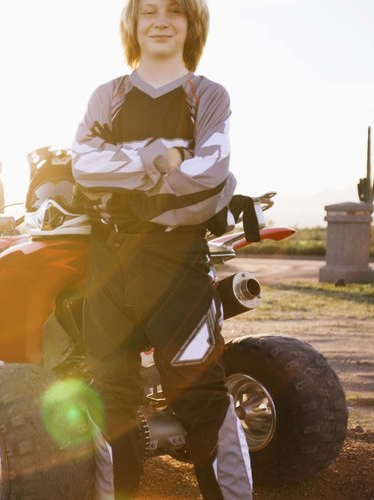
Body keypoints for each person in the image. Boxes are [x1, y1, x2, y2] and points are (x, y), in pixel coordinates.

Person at [70, 1, 252, 499]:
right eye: (147, 9)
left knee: (203, 396)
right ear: (132, 23)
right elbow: (84, 165)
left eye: (175, 10)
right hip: (108, 264)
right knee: (112, 396)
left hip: (176, 263)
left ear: (192, 24)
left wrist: (126, 177)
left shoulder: (209, 95)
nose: (160, 20)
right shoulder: (107, 96)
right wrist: (159, 157)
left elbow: (212, 172)